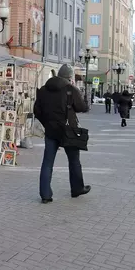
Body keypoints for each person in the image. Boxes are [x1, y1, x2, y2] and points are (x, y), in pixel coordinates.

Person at [34, 64, 90, 204]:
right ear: (70, 77)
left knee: (47, 162)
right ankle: (77, 188)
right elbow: (82, 107)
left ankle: (45, 195)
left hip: (51, 131)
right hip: (68, 131)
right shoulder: (70, 90)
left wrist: (47, 122)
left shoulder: (43, 90)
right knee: (74, 161)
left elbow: (37, 111)